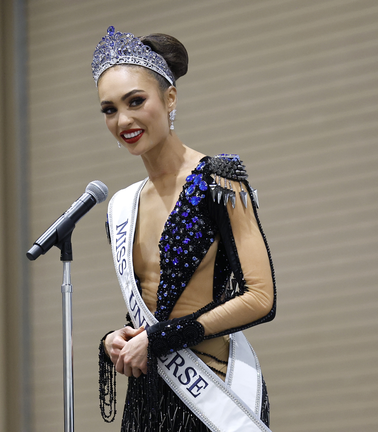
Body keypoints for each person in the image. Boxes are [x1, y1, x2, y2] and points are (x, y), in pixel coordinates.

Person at [94, 26, 277, 432]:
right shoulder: (122, 206)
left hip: (213, 393)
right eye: (109, 109)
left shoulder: (219, 180)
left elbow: (262, 297)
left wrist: (160, 339)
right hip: (148, 397)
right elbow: (148, 305)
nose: (123, 120)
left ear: (170, 97)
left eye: (136, 101)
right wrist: (119, 339)